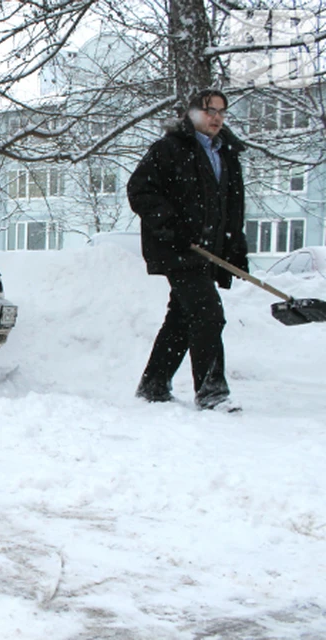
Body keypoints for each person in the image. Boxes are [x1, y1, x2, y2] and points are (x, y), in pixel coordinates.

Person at [127, 89, 249, 412]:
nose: (217, 117)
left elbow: (232, 206)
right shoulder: (170, 149)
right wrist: (171, 226)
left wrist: (236, 247)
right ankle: (212, 392)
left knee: (182, 317)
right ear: (192, 113)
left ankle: (154, 384)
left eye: (222, 111)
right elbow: (139, 189)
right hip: (178, 250)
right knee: (208, 312)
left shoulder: (227, 153)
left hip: (209, 251)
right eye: (210, 110)